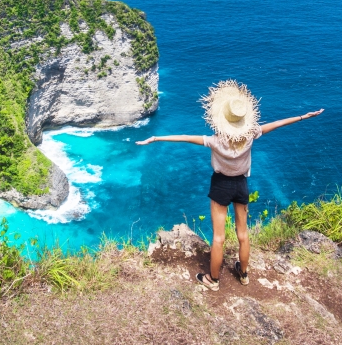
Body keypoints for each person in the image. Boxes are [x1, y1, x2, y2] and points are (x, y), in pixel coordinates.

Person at [136, 79, 323, 292]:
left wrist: (155, 138)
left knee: (218, 237)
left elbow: (185, 138)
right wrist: (302, 117)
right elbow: (277, 123)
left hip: (221, 185)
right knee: (243, 235)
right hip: (241, 185)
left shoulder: (216, 141)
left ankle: (213, 280)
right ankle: (243, 275)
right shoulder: (250, 135)